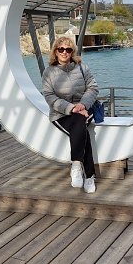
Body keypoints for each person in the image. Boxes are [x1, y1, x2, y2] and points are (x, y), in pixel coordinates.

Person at [42, 36, 99, 193]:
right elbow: (49, 97)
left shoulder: (82, 68)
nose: (64, 52)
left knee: (79, 123)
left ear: (72, 52)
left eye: (68, 49)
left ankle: (76, 165)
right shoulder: (49, 72)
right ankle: (89, 176)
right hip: (61, 114)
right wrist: (72, 108)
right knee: (81, 129)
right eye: (61, 49)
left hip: (84, 108)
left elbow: (93, 88)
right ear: (55, 51)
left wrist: (82, 105)